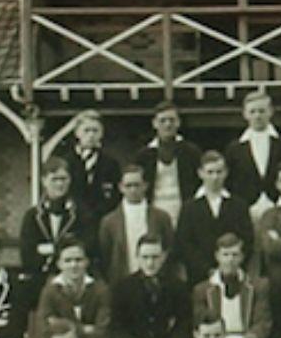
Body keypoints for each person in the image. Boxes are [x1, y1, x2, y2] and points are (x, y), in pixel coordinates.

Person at [175, 151, 254, 286]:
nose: (215, 177)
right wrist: (207, 270)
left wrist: (230, 265)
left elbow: (247, 239)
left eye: (219, 172)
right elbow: (184, 243)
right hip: (199, 276)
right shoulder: (189, 207)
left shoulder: (239, 205)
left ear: (226, 172)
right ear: (200, 173)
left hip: (233, 274)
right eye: (210, 172)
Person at [192, 233, 271, 338]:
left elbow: (262, 323)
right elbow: (200, 323)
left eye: (235, 255)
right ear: (217, 256)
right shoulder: (203, 289)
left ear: (242, 257)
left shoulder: (258, 286)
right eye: (226, 255)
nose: (230, 260)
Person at [19, 156, 86, 310]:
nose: (59, 184)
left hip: (72, 281)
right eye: (54, 179)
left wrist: (48, 249)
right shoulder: (33, 216)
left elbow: (86, 246)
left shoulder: (82, 214)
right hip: (40, 282)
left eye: (63, 179)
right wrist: (60, 249)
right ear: (44, 181)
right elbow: (27, 253)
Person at [225, 91, 281, 223]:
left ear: (270, 112)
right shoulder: (235, 148)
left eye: (261, 111)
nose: (257, 116)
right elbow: (229, 181)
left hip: (278, 206)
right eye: (253, 112)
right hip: (246, 209)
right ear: (245, 114)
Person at [98, 163, 174, 287]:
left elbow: (169, 249)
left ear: (145, 186)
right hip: (121, 283)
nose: (133, 190)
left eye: (137, 185)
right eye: (128, 186)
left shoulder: (161, 217)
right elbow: (105, 257)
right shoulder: (109, 222)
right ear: (120, 187)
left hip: (156, 283)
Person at [137, 101, 202, 227]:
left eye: (171, 120)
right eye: (163, 120)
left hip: (184, 209)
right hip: (154, 208)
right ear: (154, 123)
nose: (167, 124)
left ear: (178, 122)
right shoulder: (144, 155)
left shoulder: (191, 152)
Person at [55, 109, 122, 232]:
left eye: (95, 131)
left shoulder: (110, 164)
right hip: (72, 224)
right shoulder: (66, 162)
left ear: (101, 133)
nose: (91, 135)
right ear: (77, 133)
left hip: (101, 225)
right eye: (86, 130)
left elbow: (115, 197)